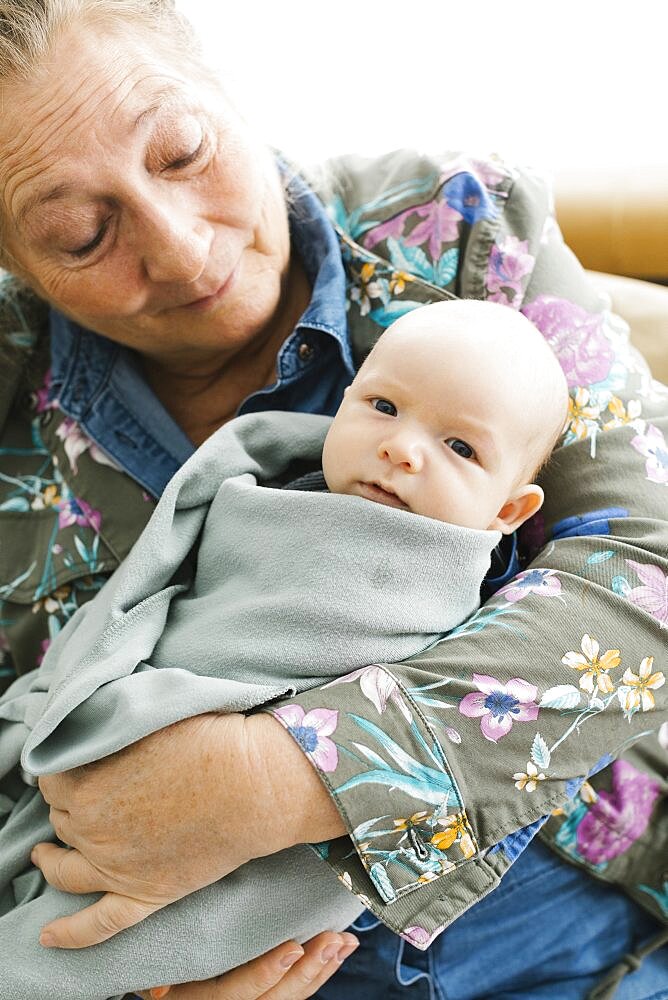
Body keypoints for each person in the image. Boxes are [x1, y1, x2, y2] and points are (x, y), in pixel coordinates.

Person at [0, 3, 664, 999]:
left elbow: (644, 566)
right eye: (81, 234)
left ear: (221, 84)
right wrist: (127, 977)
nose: (182, 253)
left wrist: (281, 778)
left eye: (181, 154)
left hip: (587, 933)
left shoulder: (457, 229)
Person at [0, 299, 568, 1000]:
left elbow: (442, 738)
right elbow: (151, 592)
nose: (402, 447)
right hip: (127, 717)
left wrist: (251, 777)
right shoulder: (257, 479)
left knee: (68, 938)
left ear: (509, 512)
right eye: (384, 405)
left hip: (292, 836)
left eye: (460, 448)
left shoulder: (461, 597)